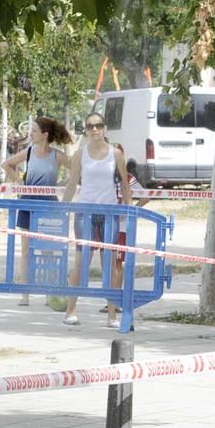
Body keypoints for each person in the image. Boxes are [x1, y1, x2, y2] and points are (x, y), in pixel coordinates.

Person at [60, 113, 131, 328]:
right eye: (90, 126)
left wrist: (127, 210)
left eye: (98, 125)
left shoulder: (116, 153)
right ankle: (70, 310)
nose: (94, 130)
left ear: (105, 128)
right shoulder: (81, 154)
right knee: (81, 262)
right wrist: (63, 207)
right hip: (85, 211)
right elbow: (72, 183)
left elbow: (125, 184)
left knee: (110, 263)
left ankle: (111, 315)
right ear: (86, 130)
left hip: (109, 212)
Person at [2, 116, 71, 306]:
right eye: (30, 130)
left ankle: (50, 293)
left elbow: (76, 170)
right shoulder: (29, 152)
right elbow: (6, 164)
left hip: (49, 206)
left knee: (48, 250)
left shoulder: (56, 156)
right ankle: (25, 294)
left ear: (44, 134)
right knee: (26, 251)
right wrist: (20, 180)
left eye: (34, 131)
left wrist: (63, 185)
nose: (30, 134)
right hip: (28, 204)